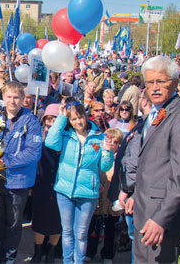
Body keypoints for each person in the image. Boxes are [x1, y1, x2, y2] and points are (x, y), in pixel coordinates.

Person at [132, 56, 180, 263]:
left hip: (161, 219)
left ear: (174, 82)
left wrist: (161, 219)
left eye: (160, 81)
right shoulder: (157, 113)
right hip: (144, 210)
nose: (154, 87)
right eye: (150, 82)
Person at [44, 101, 114, 264]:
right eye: (73, 119)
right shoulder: (65, 134)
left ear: (86, 116)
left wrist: (108, 152)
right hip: (65, 190)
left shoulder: (99, 136)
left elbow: (105, 165)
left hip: (87, 192)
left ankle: (79, 261)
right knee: (67, 231)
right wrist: (61, 118)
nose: (78, 122)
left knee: (81, 233)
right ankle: (68, 261)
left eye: (80, 117)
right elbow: (50, 142)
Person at [0, 81, 43, 264]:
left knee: (13, 224)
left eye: (16, 97)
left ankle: (9, 259)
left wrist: (4, 162)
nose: (12, 101)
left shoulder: (31, 121)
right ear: (3, 98)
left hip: (18, 181)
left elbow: (32, 153)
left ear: (23, 99)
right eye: (8, 97)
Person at [85, 128, 124, 263]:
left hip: (112, 198)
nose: (112, 144)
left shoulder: (121, 159)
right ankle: (90, 251)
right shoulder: (99, 155)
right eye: (110, 141)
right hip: (98, 197)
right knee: (93, 228)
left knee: (111, 231)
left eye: (116, 141)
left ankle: (108, 255)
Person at [30, 104, 62, 263]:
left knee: (57, 221)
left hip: (59, 184)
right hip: (41, 182)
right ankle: (38, 252)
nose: (50, 122)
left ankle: (51, 253)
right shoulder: (39, 136)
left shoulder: (65, 138)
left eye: (54, 119)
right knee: (40, 219)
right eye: (48, 119)